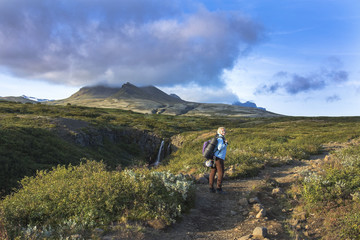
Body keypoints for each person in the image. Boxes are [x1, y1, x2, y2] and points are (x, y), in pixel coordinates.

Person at [209, 127, 228, 194]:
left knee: (213, 172)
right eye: (223, 131)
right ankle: (218, 189)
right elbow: (220, 147)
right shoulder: (220, 139)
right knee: (221, 172)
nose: (224, 132)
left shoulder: (217, 137)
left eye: (225, 131)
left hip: (214, 157)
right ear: (219, 132)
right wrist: (225, 143)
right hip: (219, 158)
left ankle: (211, 188)